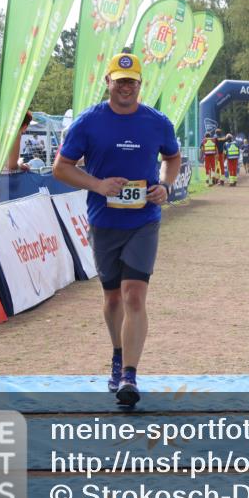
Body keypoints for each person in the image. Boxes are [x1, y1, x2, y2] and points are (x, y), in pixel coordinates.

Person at [52, 53, 181, 407]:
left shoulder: (157, 122)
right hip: (104, 222)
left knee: (134, 295)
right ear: (108, 82)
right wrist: (97, 184)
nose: (126, 87)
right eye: (119, 81)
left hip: (144, 221)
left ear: (140, 85)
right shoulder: (88, 122)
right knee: (111, 298)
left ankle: (130, 375)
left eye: (132, 82)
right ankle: (118, 353)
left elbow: (173, 158)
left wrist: (166, 187)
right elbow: (61, 168)